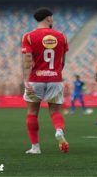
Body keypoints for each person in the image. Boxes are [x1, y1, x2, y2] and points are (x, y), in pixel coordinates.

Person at [22, 8, 69, 154]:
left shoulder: (29, 36)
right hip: (55, 78)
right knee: (55, 111)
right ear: (48, 18)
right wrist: (55, 72)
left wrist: (25, 79)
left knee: (32, 112)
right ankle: (59, 130)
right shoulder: (61, 36)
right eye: (52, 17)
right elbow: (63, 61)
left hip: (36, 79)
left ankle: (35, 147)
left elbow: (28, 60)